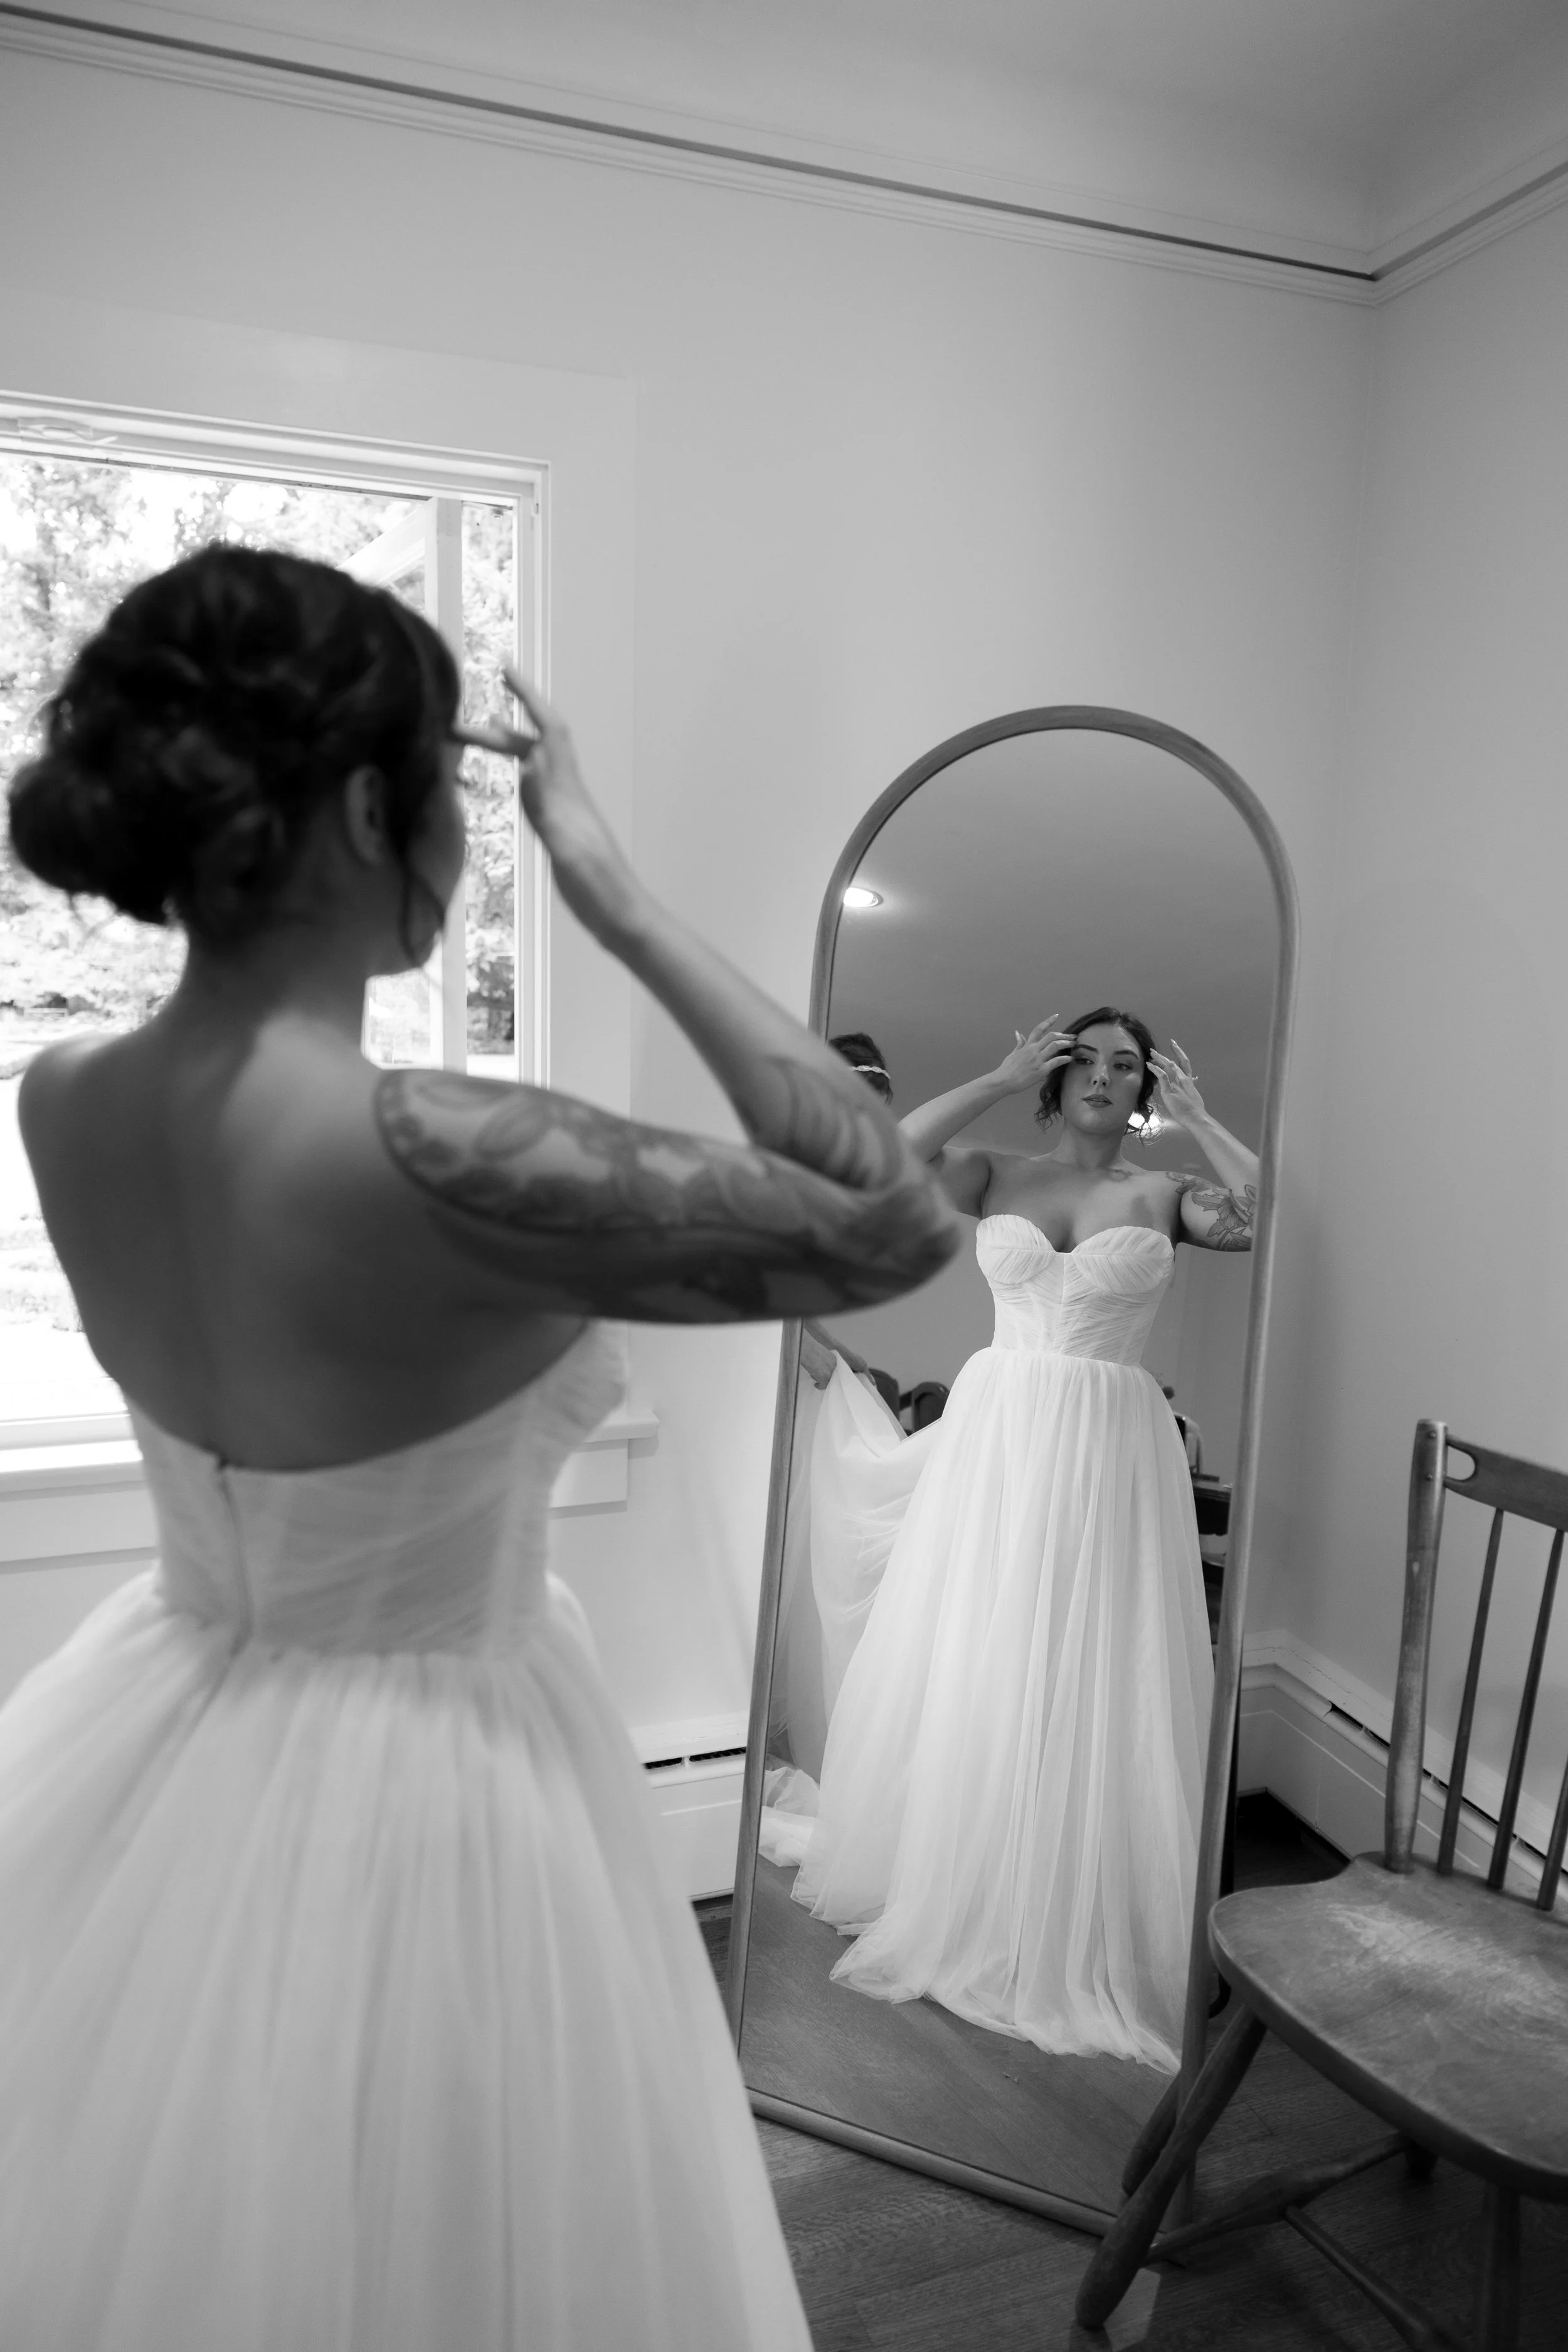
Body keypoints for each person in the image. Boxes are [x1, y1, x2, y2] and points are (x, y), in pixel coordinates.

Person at [0, 545, 958, 2351]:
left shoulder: (63, 1099)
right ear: (374, 801)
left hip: (167, 1715)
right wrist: (614, 892)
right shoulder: (438, 1148)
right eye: (448, 780)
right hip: (430, 1775)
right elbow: (894, 1219)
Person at [792, 1005, 1257, 2070]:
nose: (1104, 1074)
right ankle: (973, 1882)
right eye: (1082, 1058)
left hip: (1111, 1449)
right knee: (989, 1644)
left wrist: (1200, 1115)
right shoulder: (991, 1172)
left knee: (1093, 1658)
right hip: (1001, 1437)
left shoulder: (1163, 1194)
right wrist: (996, 1076)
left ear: (1141, 1089)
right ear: (1056, 1080)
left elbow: (1272, 1215)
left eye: (1125, 1064)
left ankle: (1077, 1905)